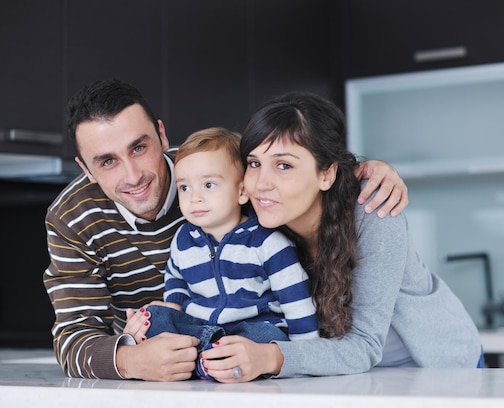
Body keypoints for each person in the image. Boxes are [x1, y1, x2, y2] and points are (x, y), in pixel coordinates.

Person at [42, 78, 409, 381]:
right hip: (181, 371)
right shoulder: (71, 218)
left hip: (272, 352)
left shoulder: (219, 171)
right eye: (107, 161)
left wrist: (363, 169)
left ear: (162, 135)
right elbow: (73, 334)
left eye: (139, 148)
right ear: (85, 169)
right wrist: (130, 361)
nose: (133, 175)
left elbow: (290, 163)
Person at [198, 91, 483, 383]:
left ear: (326, 174)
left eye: (284, 165)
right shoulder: (257, 219)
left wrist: (271, 356)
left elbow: (364, 346)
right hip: (349, 374)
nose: (261, 184)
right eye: (254, 163)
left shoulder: (373, 212)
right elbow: (196, 169)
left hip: (436, 370)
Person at [132, 127, 318, 380]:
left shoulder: (267, 242)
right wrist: (173, 306)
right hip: (200, 327)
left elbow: (295, 299)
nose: (194, 198)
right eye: (185, 188)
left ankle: (202, 361)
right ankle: (206, 359)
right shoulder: (184, 238)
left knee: (267, 338)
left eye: (208, 185)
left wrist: (306, 352)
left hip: (253, 331)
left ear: (242, 191)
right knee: (154, 315)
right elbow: (175, 275)